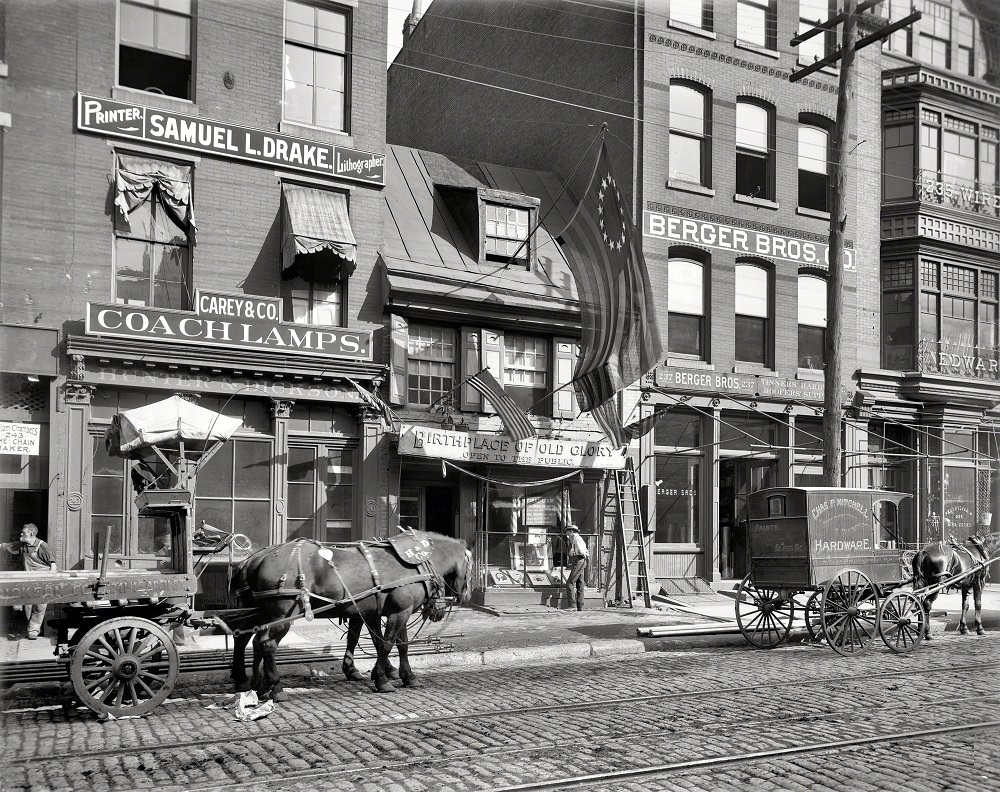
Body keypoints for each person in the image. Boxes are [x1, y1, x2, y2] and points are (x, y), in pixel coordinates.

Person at [2, 523, 57, 640]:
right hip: (28, 580)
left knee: (39, 606)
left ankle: (34, 630)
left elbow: (53, 565)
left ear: (31, 533)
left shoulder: (42, 546)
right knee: (27, 605)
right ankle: (31, 628)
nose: (21, 534)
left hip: (42, 581)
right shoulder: (22, 545)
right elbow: (6, 546)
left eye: (24, 532)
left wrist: (51, 580)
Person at [564, 524, 589, 611]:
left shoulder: (576, 538)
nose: (567, 533)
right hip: (581, 560)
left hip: (579, 560)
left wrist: (574, 554)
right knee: (580, 584)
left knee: (570, 583)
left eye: (567, 531)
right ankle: (580, 606)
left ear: (571, 531)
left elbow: (582, 550)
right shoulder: (574, 538)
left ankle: (572, 605)